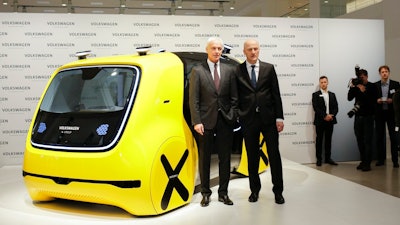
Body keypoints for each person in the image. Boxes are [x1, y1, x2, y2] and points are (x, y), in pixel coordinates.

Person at [188, 37, 238, 207]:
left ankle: (223, 193)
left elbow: (234, 97)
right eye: (214, 48)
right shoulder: (198, 70)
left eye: (219, 48)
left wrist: (233, 115)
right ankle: (205, 193)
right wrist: (196, 121)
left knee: (225, 158)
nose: (217, 51)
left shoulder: (229, 70)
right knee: (205, 159)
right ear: (207, 50)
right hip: (205, 121)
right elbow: (193, 99)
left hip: (225, 120)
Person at [236, 39, 285, 204]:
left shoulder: (269, 68)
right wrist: (239, 115)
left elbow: (276, 94)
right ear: (244, 51)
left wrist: (279, 117)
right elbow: (235, 96)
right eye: (249, 49)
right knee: (252, 157)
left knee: (274, 156)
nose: (253, 52)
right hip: (248, 120)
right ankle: (254, 191)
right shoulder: (238, 70)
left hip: (269, 119)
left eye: (255, 49)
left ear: (259, 50)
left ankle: (278, 191)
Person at [347, 68, 377, 171]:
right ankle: (363, 161)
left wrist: (363, 91)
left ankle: (367, 163)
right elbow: (349, 98)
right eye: (359, 78)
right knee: (359, 140)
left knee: (367, 141)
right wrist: (352, 87)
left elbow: (371, 103)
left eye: (362, 77)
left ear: (367, 77)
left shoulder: (372, 86)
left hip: (368, 117)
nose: (361, 79)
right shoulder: (356, 86)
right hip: (358, 117)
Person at [374, 65, 399, 168]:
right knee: (379, 137)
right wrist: (377, 100)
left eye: (386, 71)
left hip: (391, 114)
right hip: (379, 114)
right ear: (380, 73)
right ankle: (380, 160)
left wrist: (392, 101)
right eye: (382, 72)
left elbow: (399, 99)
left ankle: (395, 161)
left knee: (394, 138)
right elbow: (372, 99)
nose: (384, 73)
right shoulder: (375, 85)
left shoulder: (396, 84)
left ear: (389, 73)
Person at [312, 76, 339, 166]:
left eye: (325, 82)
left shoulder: (332, 94)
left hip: (330, 120)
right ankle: (319, 159)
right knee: (319, 140)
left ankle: (328, 158)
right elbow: (316, 108)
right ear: (320, 83)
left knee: (328, 140)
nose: (323, 84)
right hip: (320, 121)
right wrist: (324, 116)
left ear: (327, 83)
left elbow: (336, 107)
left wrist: (331, 115)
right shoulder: (315, 94)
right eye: (322, 82)